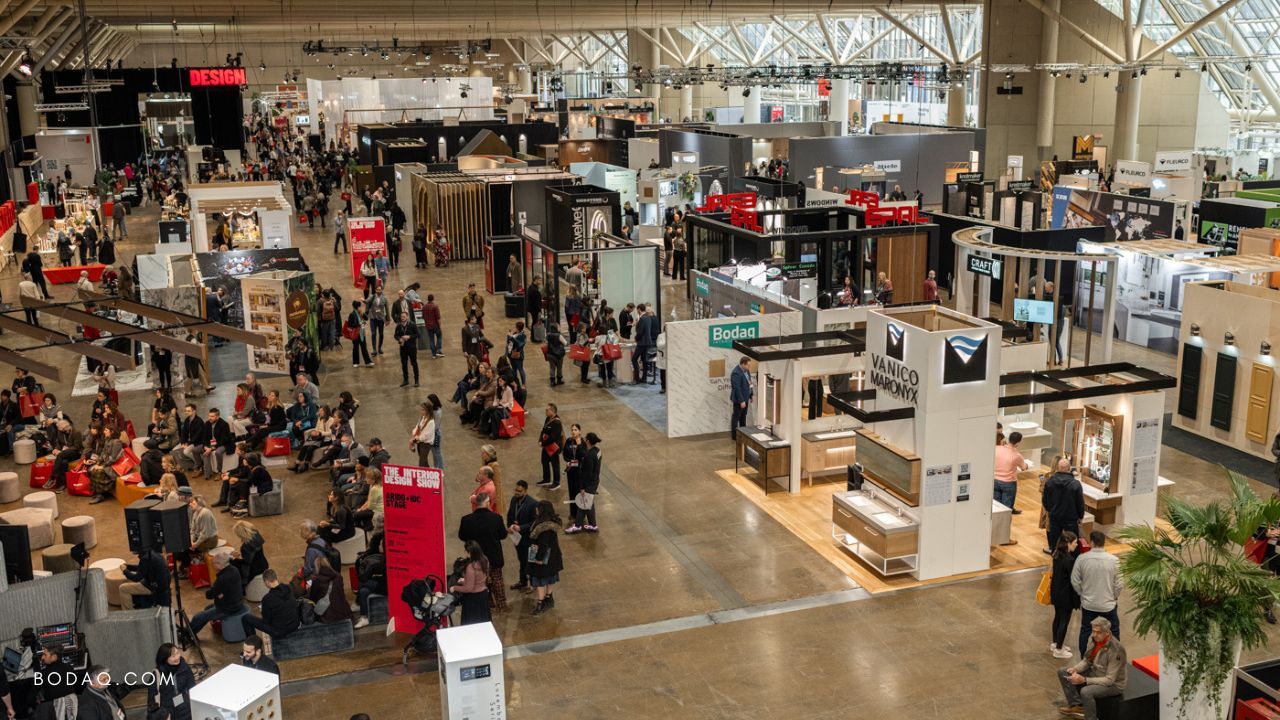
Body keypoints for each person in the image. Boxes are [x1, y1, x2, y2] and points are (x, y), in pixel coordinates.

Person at [1056, 616, 1127, 720]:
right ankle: (1078, 706)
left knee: (1086, 691)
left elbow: (1110, 680)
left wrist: (1084, 680)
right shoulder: (1094, 639)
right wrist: (1075, 669)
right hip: (1096, 672)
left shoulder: (1116, 650)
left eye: (1098, 632)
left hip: (1114, 684)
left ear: (1107, 632)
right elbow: (1087, 660)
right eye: (1093, 631)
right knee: (1063, 672)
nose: (1094, 634)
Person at [1071, 530, 1122, 658]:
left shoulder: (1082, 559)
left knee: (1085, 631)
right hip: (1108, 604)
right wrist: (1114, 596)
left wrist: (1082, 593)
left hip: (1089, 604)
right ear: (1104, 543)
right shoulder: (1114, 560)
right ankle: (1114, 657)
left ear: (1092, 542)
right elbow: (1119, 583)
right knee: (1114, 630)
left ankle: (1084, 657)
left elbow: (1075, 580)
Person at [458, 493, 508, 613]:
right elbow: (503, 535)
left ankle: (488, 603)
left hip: (476, 558)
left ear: (476, 504)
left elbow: (462, 536)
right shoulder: (496, 518)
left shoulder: (466, 520)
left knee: (481, 581)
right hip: (494, 557)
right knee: (497, 580)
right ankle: (502, 605)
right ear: (487, 503)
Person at [188, 552, 244, 637]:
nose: (213, 565)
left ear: (220, 565)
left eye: (214, 563)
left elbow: (209, 595)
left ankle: (188, 635)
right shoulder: (234, 569)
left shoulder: (223, 578)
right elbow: (226, 589)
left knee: (198, 617)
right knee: (207, 609)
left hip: (228, 608)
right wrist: (219, 593)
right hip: (236, 601)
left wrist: (217, 592)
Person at [528, 500, 564, 615]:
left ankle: (541, 602)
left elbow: (543, 545)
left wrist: (539, 558)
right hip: (553, 557)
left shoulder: (543, 527)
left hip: (543, 558)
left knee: (540, 580)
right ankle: (549, 598)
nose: (536, 510)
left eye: (538, 508)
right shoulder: (553, 522)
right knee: (550, 577)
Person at [242, 569, 300, 640]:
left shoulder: (267, 599)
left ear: (266, 582)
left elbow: (266, 622)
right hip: (295, 625)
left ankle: (252, 643)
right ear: (276, 578)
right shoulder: (289, 587)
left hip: (279, 631)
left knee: (246, 618)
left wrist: (263, 611)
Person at [1043, 457, 1085, 554]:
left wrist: (1051, 511)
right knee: (1073, 542)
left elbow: (1045, 501)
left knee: (1055, 544)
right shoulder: (1075, 484)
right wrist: (1080, 516)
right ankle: (1072, 564)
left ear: (1058, 468)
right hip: (1071, 518)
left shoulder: (1050, 482)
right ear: (1069, 469)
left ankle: (1057, 563)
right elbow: (1080, 503)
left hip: (1055, 517)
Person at [1050, 530, 1081, 659]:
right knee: (1064, 621)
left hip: (1056, 592)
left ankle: (1056, 643)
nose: (1077, 545)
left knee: (1057, 617)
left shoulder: (1057, 554)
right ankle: (1058, 649)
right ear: (1068, 543)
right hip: (1065, 595)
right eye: (1075, 543)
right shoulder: (1069, 560)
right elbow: (1073, 580)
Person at [148, 644, 196, 720]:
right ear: (164, 658)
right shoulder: (157, 675)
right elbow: (151, 701)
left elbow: (192, 687)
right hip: (168, 714)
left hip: (186, 710)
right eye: (173, 656)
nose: (177, 657)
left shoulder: (184, 667)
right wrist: (162, 714)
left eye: (177, 653)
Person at [450, 541, 492, 625]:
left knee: (471, 624)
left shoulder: (471, 567)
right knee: (483, 624)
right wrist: (466, 580)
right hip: (483, 597)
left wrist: (455, 588)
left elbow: (468, 588)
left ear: (470, 552)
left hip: (473, 600)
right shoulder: (484, 559)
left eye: (466, 551)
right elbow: (480, 579)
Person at [568, 432, 601, 533]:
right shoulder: (597, 451)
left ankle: (578, 526)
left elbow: (587, 474)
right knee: (588, 504)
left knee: (583, 504)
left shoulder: (589, 455)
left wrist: (582, 487)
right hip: (594, 481)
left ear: (587, 441)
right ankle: (592, 525)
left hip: (589, 484)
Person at [308, 555, 353, 624]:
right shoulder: (338, 576)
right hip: (343, 611)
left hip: (326, 616)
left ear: (317, 566)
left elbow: (313, 598)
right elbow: (341, 594)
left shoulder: (317, 580)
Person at [993, 430, 1030, 515]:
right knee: (1006, 509)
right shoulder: (1016, 455)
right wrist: (1027, 465)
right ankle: (1004, 527)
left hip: (995, 480)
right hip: (1008, 483)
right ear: (1018, 443)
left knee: (996, 507)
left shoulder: (997, 449)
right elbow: (1024, 467)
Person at [229, 520, 268, 585]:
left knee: (231, 563)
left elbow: (247, 564)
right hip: (263, 564)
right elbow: (252, 554)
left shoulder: (245, 547)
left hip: (255, 569)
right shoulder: (256, 535)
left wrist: (233, 558)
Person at [539, 404, 563, 489]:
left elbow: (553, 437)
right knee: (544, 462)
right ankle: (546, 479)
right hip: (546, 445)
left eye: (547, 410)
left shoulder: (557, 422)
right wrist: (540, 440)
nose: (545, 412)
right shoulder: (548, 418)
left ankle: (556, 483)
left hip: (554, 447)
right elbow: (544, 430)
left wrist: (543, 443)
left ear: (552, 411)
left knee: (555, 465)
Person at [394, 311, 420, 388]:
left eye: (404, 317)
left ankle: (416, 380)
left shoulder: (412, 324)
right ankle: (405, 380)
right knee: (404, 364)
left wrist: (409, 337)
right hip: (403, 348)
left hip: (412, 347)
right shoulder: (399, 325)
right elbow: (396, 335)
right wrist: (399, 339)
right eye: (401, 317)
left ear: (407, 317)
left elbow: (418, 335)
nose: (402, 318)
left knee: (414, 363)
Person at [347, 299, 375, 368]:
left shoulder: (361, 313)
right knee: (355, 348)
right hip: (355, 334)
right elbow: (350, 324)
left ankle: (368, 362)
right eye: (360, 306)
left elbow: (366, 318)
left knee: (364, 348)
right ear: (357, 307)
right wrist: (359, 324)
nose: (361, 307)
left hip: (362, 333)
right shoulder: (352, 314)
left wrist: (363, 314)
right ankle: (355, 362)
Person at [730, 357, 753, 440]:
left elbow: (750, 382)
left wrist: (751, 395)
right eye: (748, 365)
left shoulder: (746, 371)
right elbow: (737, 388)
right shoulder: (736, 373)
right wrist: (741, 401)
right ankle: (734, 436)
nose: (749, 367)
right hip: (739, 400)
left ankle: (743, 433)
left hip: (746, 398)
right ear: (743, 364)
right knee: (736, 417)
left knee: (743, 416)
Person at [410, 402, 437, 467]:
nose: (421, 411)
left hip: (426, 445)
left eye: (423, 410)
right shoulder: (422, 418)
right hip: (420, 442)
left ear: (428, 410)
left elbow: (426, 435)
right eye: (421, 409)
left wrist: (416, 438)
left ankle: (425, 475)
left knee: (422, 463)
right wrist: (414, 435)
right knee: (424, 462)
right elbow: (417, 427)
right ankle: (431, 475)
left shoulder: (431, 422)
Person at [422, 293, 443, 358]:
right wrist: (439, 326)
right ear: (433, 298)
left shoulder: (424, 307)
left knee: (431, 340)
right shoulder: (435, 306)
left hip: (428, 326)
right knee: (439, 337)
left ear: (427, 299)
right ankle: (438, 351)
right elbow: (438, 318)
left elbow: (423, 316)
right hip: (435, 326)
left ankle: (433, 354)